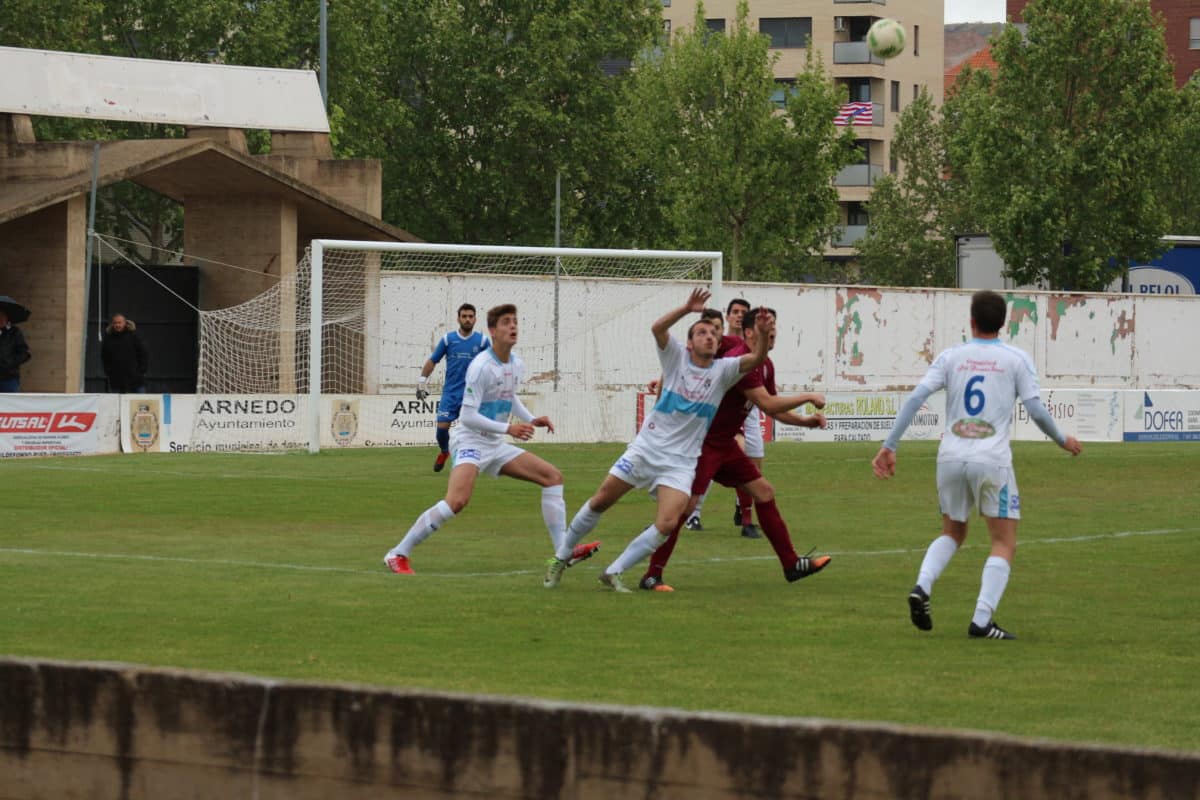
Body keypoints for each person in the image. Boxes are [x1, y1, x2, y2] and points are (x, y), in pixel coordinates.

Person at [871, 290, 1082, 640]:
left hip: (951, 457)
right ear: (1004, 322)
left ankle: (922, 587)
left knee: (952, 532)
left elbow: (916, 397)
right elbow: (1036, 410)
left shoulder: (952, 356)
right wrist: (1062, 440)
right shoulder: (1016, 359)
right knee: (1003, 542)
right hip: (991, 460)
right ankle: (982, 620)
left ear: (971, 320)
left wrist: (890, 445)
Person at [543, 288, 771, 592]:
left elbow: (756, 358)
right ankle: (561, 556)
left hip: (680, 463)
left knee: (667, 523)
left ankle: (614, 571)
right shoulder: (675, 358)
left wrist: (764, 334)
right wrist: (687, 309)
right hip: (646, 450)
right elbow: (657, 328)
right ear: (688, 344)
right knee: (601, 501)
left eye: (713, 333)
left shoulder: (724, 371)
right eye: (701, 332)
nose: (709, 336)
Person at [384, 304, 598, 575]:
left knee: (552, 477)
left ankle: (562, 553)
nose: (513, 327)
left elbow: (510, 396)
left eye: (515, 322)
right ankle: (397, 553)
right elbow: (468, 416)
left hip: (495, 443)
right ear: (492, 331)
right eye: (506, 322)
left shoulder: (516, 363)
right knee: (456, 502)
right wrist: (509, 429)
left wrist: (531, 419)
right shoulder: (480, 366)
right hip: (471, 441)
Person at [640, 307, 832, 592]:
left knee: (764, 492)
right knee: (684, 509)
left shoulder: (765, 365)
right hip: (703, 444)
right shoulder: (740, 361)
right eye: (768, 325)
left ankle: (791, 565)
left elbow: (772, 406)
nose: (774, 330)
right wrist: (807, 396)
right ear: (750, 331)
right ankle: (651, 575)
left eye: (775, 325)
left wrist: (805, 422)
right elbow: (766, 403)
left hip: (725, 445)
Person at [417, 303, 490, 472]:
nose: (467, 319)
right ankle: (444, 451)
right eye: (464, 316)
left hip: (472, 394)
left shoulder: (483, 341)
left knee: (475, 432)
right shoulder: (448, 339)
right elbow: (433, 360)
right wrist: (422, 381)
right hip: (450, 393)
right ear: (458, 318)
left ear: (475, 319)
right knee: (441, 430)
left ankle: (472, 462)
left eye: (470, 316)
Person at [100, 313, 150, 393]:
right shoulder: (108, 339)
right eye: (115, 323)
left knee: (139, 403)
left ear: (125, 323)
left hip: (136, 379)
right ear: (112, 324)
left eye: (119, 323)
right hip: (116, 380)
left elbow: (143, 353)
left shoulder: (134, 336)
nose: (117, 325)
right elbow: (104, 357)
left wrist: (142, 371)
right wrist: (109, 372)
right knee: (116, 404)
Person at [0, 309, 31, 393]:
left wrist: (9, 362)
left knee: (10, 404)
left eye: (2, 316)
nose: (0, 318)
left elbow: (25, 354)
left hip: (9, 378)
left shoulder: (15, 332)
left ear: (7, 318)